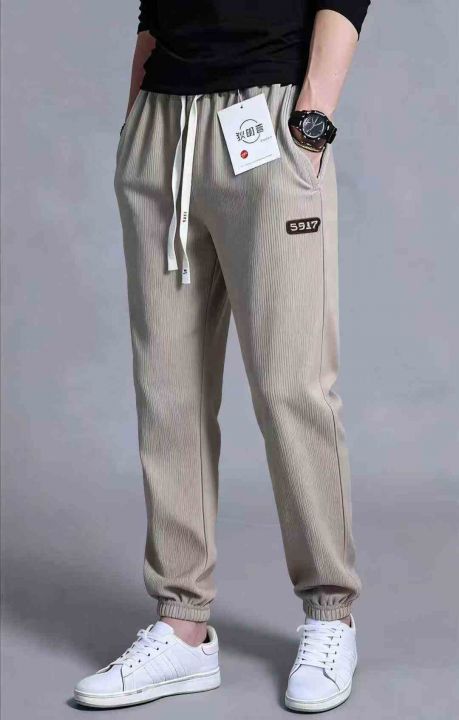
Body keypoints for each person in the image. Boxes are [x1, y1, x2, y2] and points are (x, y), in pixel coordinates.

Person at [74, 0, 371, 712]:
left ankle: (330, 614)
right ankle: (182, 626)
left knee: (291, 387)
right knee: (167, 389)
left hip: (268, 116)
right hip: (161, 127)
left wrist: (312, 119)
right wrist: (134, 124)